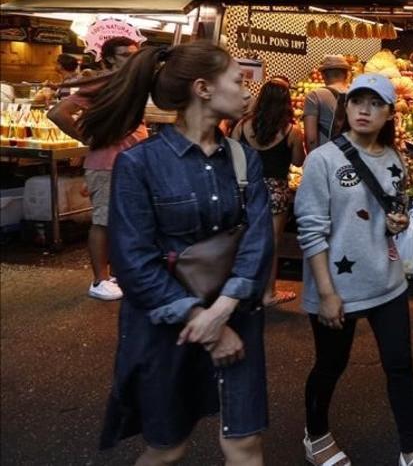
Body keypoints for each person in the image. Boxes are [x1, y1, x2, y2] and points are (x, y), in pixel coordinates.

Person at [90, 42, 273, 465]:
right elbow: (135, 263)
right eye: (238, 80)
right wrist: (202, 320)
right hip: (166, 325)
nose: (247, 91)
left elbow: (257, 241)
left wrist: (222, 310)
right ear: (203, 88)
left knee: (245, 444)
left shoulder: (245, 160)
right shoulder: (139, 164)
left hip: (236, 315)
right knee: (167, 448)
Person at [294, 73, 413, 466]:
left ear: (390, 113)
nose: (364, 110)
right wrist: (326, 293)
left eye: (375, 104)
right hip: (337, 286)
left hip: (388, 283)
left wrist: (396, 223)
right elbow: (311, 228)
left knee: (400, 366)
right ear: (346, 107)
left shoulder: (393, 157)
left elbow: (393, 207)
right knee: (331, 365)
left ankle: (411, 448)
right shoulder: (323, 159)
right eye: (357, 102)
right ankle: (315, 434)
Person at [47, 38, 144, 300]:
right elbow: (57, 113)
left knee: (121, 220)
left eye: (135, 55)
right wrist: (87, 138)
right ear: (110, 59)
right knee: (103, 220)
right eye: (125, 55)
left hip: (129, 160)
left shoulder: (130, 83)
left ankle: (113, 273)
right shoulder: (102, 83)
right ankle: (99, 279)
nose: (132, 59)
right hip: (107, 162)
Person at [231, 76, 306, 307]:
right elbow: (299, 162)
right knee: (271, 243)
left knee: (242, 238)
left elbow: (232, 156)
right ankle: (268, 292)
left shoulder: (242, 126)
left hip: (247, 189)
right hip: (276, 190)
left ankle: (238, 289)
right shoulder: (292, 131)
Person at [303, 55, 351, 152]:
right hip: (351, 156)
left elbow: (311, 139)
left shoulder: (314, 96)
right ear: (346, 74)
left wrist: (313, 160)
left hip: (326, 156)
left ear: (323, 75)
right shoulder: (356, 95)